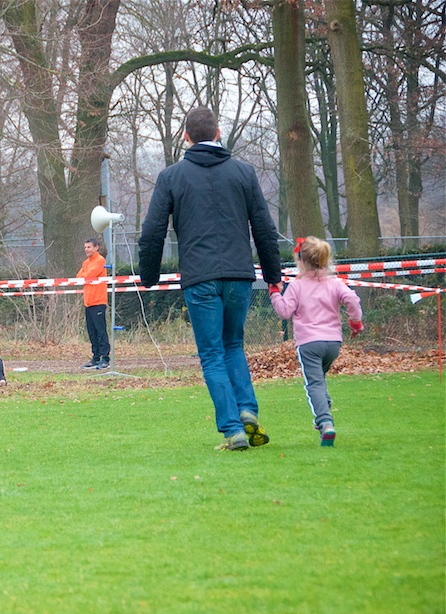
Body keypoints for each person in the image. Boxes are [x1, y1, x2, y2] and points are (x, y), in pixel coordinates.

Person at [138, 107, 281, 451]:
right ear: (218, 133)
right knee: (233, 346)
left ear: (185, 136)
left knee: (213, 354)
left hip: (200, 276)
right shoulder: (244, 173)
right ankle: (247, 409)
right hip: (239, 275)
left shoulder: (171, 177)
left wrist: (149, 276)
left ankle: (232, 429)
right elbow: (264, 228)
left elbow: (152, 231)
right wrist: (272, 275)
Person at [269, 236, 363, 447]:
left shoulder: (297, 286)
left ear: (300, 261)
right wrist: (355, 322)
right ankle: (324, 408)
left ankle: (325, 422)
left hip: (309, 344)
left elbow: (284, 312)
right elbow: (352, 299)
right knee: (319, 378)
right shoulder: (335, 283)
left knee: (314, 383)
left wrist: (274, 293)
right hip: (333, 343)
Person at [76, 238, 111, 369]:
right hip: (88, 302)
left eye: (89, 247)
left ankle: (105, 358)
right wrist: (85, 275)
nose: (86, 250)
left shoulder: (100, 260)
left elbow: (89, 275)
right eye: (85, 247)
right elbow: (79, 277)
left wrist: (85, 275)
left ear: (96, 248)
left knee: (101, 331)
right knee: (91, 332)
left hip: (98, 301)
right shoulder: (86, 262)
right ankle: (96, 357)